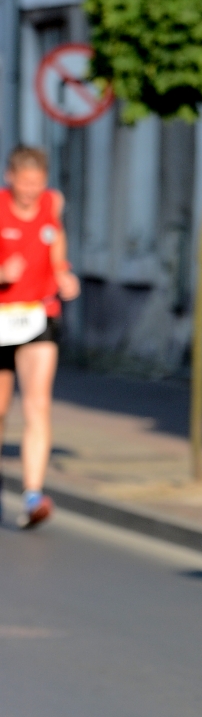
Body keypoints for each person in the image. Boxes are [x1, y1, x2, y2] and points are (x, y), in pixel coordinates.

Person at [0, 145, 80, 528]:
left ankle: (33, 495)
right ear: (10, 178)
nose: (32, 190)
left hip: (39, 314)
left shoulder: (52, 203)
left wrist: (61, 271)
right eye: (25, 182)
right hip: (2, 315)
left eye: (38, 182)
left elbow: (56, 238)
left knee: (38, 405)